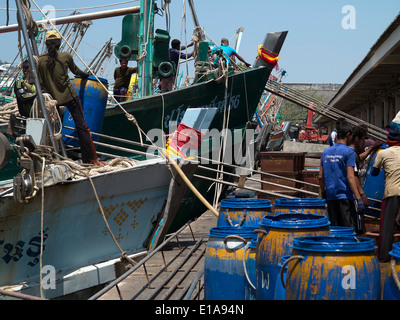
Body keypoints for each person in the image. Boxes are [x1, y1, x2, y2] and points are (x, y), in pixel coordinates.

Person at [38, 29, 103, 167]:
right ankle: (91, 159)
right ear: (60, 43)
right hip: (70, 97)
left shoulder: (40, 61)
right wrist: (86, 75)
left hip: (53, 100)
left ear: (46, 44)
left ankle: (53, 155)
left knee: (54, 128)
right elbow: (77, 72)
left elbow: (40, 82)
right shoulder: (65, 56)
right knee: (82, 128)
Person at [319, 120, 365, 231]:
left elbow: (320, 176)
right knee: (348, 231)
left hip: (331, 198)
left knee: (334, 230)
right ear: (348, 134)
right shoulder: (349, 152)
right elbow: (350, 177)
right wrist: (359, 199)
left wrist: (324, 193)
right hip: (346, 198)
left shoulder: (326, 152)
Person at [372, 122, 400, 262]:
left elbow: (374, 173)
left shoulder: (383, 153)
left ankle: (384, 257)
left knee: (387, 227)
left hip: (391, 194)